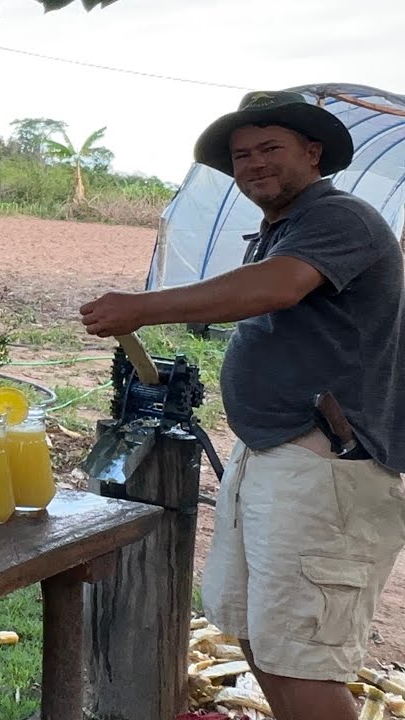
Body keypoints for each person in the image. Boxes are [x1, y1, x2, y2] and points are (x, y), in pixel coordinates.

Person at [80, 90, 405, 720]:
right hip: (273, 457)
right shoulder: (283, 229)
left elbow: (279, 288)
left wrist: (141, 306)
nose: (253, 164)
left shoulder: (341, 218)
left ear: (313, 153)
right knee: (262, 636)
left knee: (300, 656)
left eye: (270, 149)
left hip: (328, 468)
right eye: (240, 156)